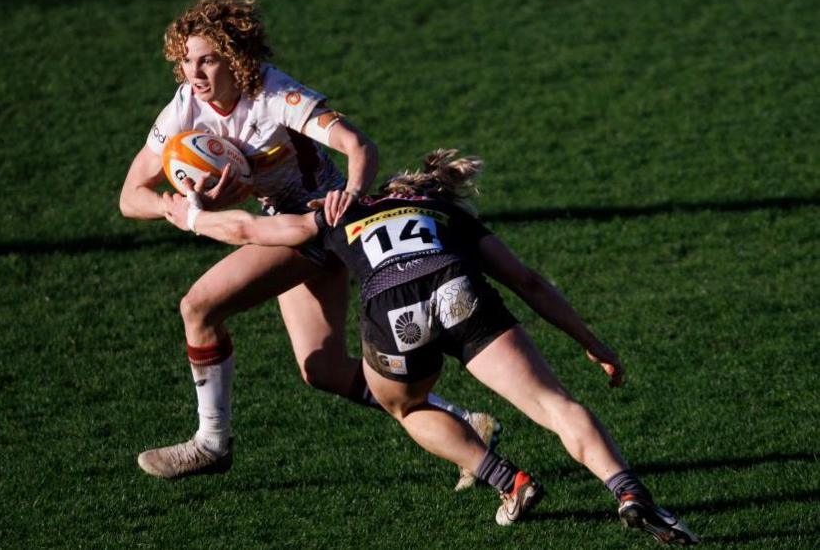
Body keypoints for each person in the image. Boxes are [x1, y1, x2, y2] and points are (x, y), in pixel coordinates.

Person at [161, 149, 699, 544]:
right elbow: (528, 282)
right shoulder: (449, 215)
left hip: (393, 313)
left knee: (407, 404)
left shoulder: (339, 211)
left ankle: (504, 477)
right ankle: (630, 493)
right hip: (457, 289)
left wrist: (191, 215)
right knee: (554, 406)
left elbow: (252, 231)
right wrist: (592, 342)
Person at [119, 0, 496, 489]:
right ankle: (467, 426)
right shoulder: (188, 107)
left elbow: (358, 144)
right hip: (285, 225)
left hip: (320, 223)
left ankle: (212, 442)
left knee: (199, 307)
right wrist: (175, 208)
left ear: (235, 57)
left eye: (208, 59)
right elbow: (131, 196)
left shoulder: (275, 97)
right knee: (321, 367)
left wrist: (351, 194)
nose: (195, 72)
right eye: (187, 60)